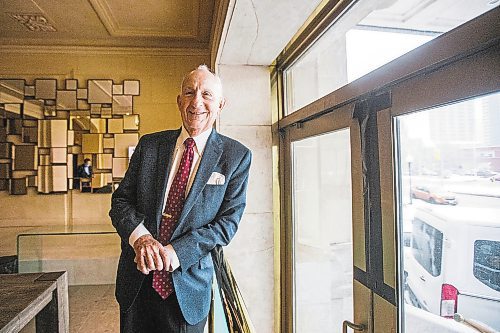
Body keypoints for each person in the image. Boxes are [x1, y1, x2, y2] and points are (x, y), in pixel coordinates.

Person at [109, 65, 252, 333]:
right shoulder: (149, 146)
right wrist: (140, 238)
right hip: (136, 284)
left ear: (220, 105)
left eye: (207, 95)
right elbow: (120, 202)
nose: (197, 101)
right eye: (189, 92)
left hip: (188, 286)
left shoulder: (236, 157)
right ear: (179, 101)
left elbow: (227, 224)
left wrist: (176, 252)